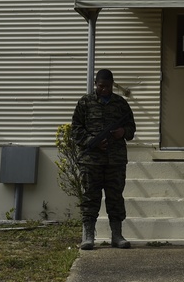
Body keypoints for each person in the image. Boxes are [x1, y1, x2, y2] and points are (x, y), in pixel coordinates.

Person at [71, 68, 136, 250]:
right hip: (91, 161)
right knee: (91, 197)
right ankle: (88, 236)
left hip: (115, 161)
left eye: (107, 86)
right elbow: (75, 128)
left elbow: (131, 127)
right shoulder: (85, 103)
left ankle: (117, 235)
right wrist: (92, 141)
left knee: (115, 197)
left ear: (112, 85)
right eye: (101, 86)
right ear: (95, 84)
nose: (104, 90)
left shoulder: (121, 104)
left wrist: (123, 132)